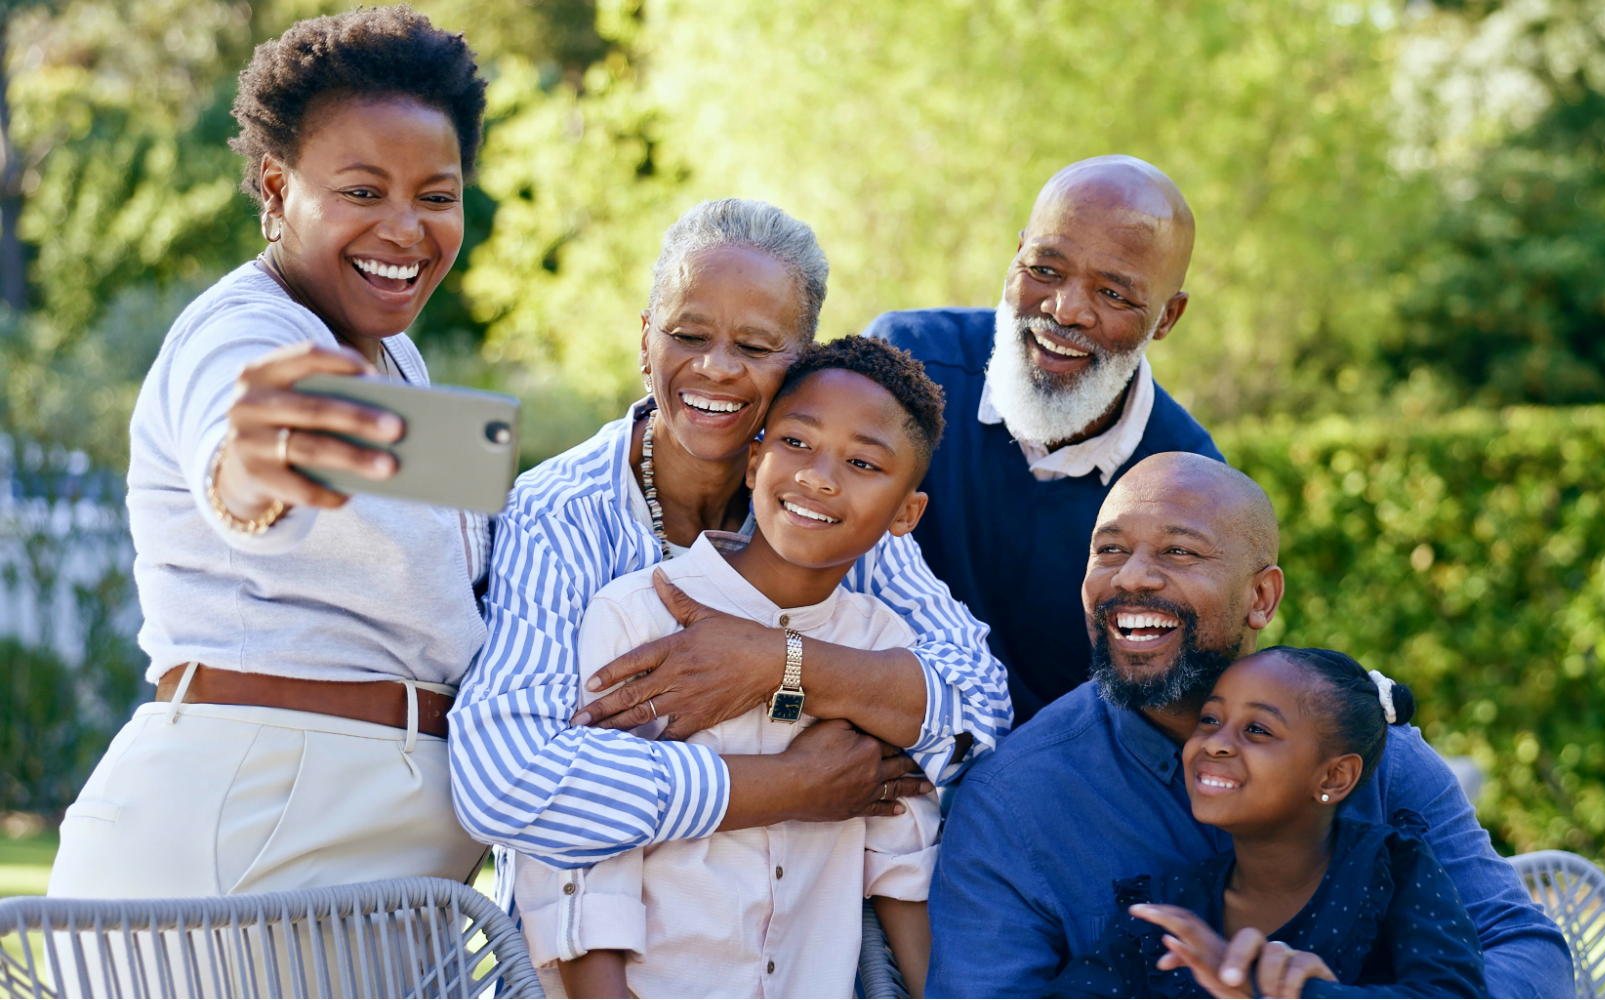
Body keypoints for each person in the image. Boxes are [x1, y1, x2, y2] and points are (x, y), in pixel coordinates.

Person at [47, 6, 493, 898]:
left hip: (377, 845)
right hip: (247, 828)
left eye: (434, 196)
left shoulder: (395, 359)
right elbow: (244, 475)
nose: (406, 230)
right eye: (362, 192)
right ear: (276, 187)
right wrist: (251, 472)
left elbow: (470, 574)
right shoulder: (247, 332)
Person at [449, 200, 1011, 878]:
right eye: (687, 335)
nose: (716, 368)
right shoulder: (557, 516)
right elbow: (506, 783)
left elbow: (977, 715)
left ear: (802, 363)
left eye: (753, 346)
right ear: (644, 340)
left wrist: (779, 662)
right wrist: (793, 785)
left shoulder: (819, 508)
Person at [927, 452, 1573, 998]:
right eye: (1109, 550)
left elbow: (1525, 948)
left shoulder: (1371, 751)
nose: (1132, 577)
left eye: (1178, 551)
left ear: (1260, 597)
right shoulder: (1015, 803)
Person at [514, 338, 947, 999]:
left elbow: (900, 866)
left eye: (862, 462)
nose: (819, 476)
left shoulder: (882, 650)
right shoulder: (637, 618)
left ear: (905, 515)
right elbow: (584, 872)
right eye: (797, 443)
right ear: (753, 461)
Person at [867, 155, 1220, 722]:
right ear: (1016, 256)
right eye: (1045, 270)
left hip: (1041, 789)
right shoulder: (905, 367)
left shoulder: (1188, 482)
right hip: (862, 733)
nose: (1065, 310)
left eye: (1114, 294)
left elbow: (1166, 710)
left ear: (1166, 318)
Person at [1046, 648, 1487, 999]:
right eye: (1210, 720)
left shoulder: (1390, 868)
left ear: (1335, 776)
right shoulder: (1166, 910)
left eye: (1257, 730)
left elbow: (1453, 992)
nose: (1216, 743)